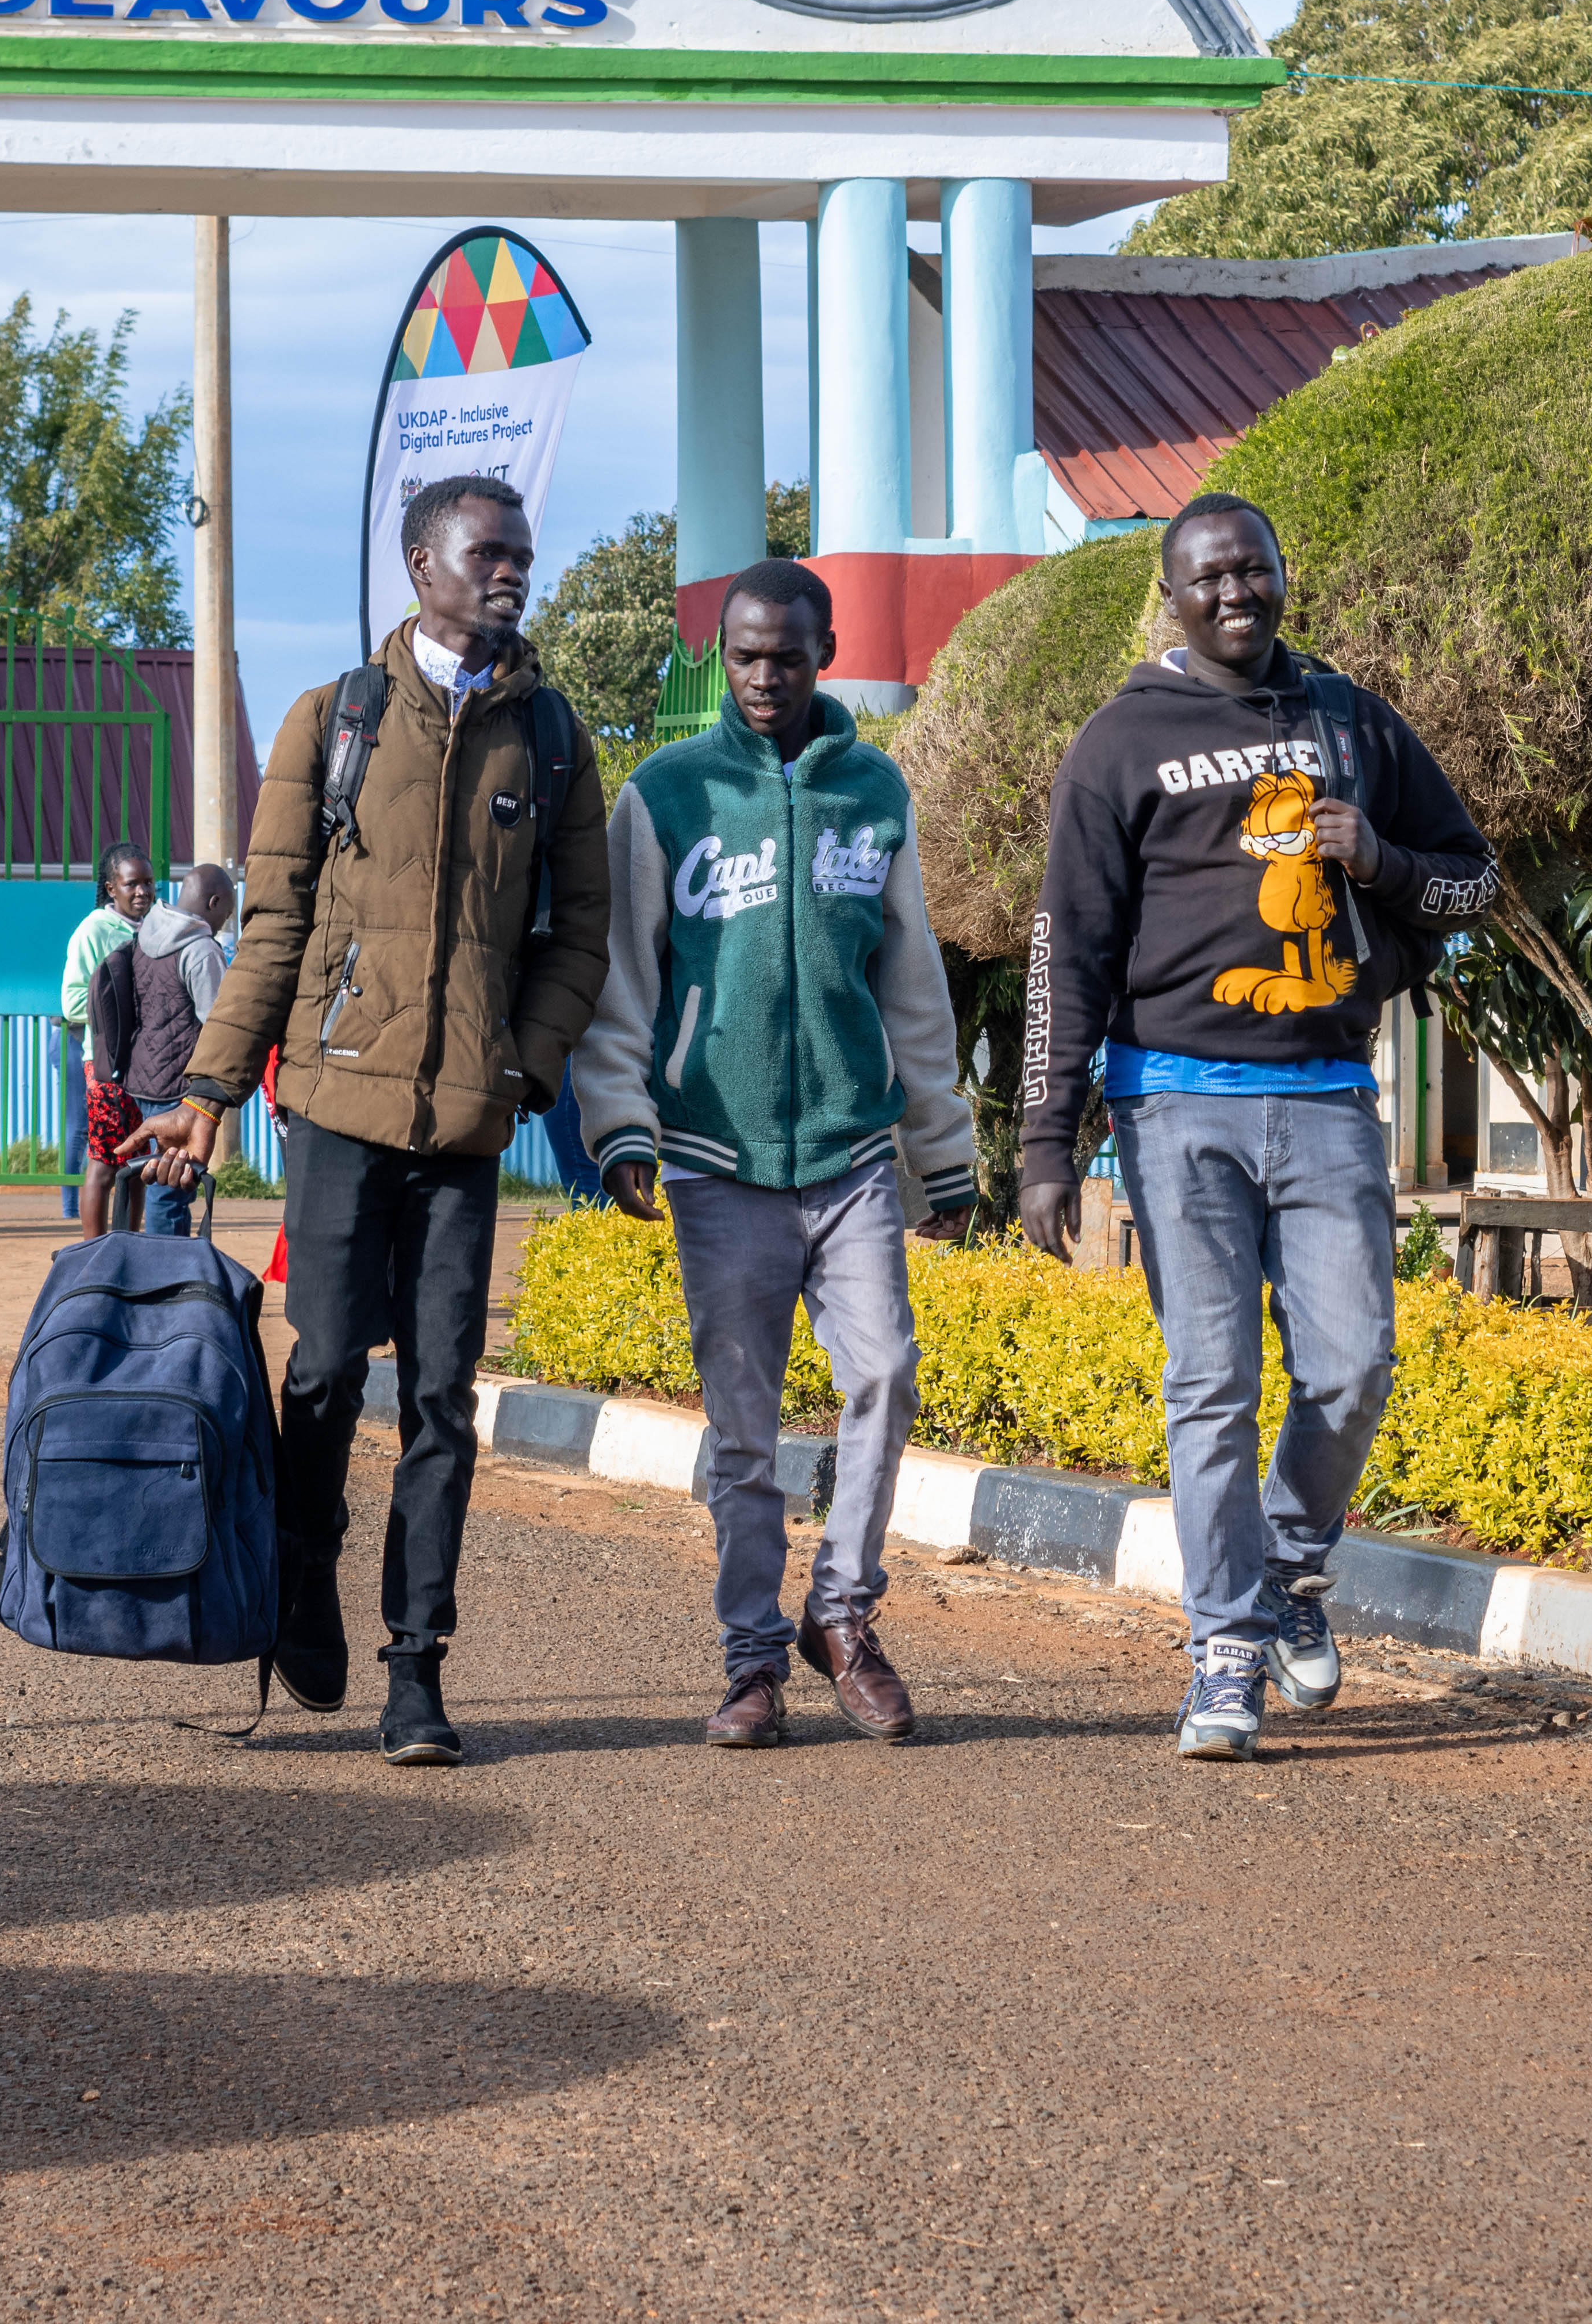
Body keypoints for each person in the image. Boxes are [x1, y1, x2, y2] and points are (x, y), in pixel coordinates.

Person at [127, 473, 609, 1766]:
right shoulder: (334, 719)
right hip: (338, 1100)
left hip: (465, 1126)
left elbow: (581, 936)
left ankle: (418, 1665)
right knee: (328, 1368)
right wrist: (209, 1091)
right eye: (487, 552)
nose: (511, 571)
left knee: (445, 1396)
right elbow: (273, 924)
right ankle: (302, 1571)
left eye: (521, 554)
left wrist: (525, 1071)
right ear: (421, 566)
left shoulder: (551, 739)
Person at [1017, 493, 1497, 1761]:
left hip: (1328, 1097)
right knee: (1211, 1385)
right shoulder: (1121, 740)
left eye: (1255, 571)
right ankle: (1224, 1653)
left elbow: (1477, 883)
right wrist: (1046, 1139)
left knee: (1354, 1368)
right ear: (1173, 597)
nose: (1236, 593)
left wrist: (1380, 858)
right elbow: (1067, 945)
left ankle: (1287, 1562)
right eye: (1210, 578)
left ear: (1284, 575)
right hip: (1173, 1104)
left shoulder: (1350, 721)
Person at [571, 561, 975, 1751]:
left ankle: (841, 1614)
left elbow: (912, 984)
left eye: (787, 657)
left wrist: (941, 1148)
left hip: (852, 1152)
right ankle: (751, 1661)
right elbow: (623, 976)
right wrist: (621, 1119)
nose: (764, 677)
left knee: (886, 1375)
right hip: (718, 1155)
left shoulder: (874, 792)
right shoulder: (666, 794)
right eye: (745, 656)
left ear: (824, 654)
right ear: (722, 654)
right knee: (744, 1437)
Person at [117, 863, 233, 1237]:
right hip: (180, 1084)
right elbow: (220, 1024)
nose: (224, 923)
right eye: (226, 913)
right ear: (214, 903)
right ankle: (166, 1262)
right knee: (171, 1185)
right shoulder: (200, 950)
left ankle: (168, 1257)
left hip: (143, 1077)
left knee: (161, 1176)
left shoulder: (145, 933)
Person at [60, 849, 155, 1242]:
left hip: (146, 1068)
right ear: (111, 889)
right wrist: (122, 1007)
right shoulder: (94, 931)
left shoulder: (155, 928)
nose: (142, 891)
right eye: (132, 884)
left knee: (139, 1164)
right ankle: (94, 1251)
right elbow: (72, 1003)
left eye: (148, 882)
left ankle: (128, 1247)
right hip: (107, 1067)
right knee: (105, 1162)